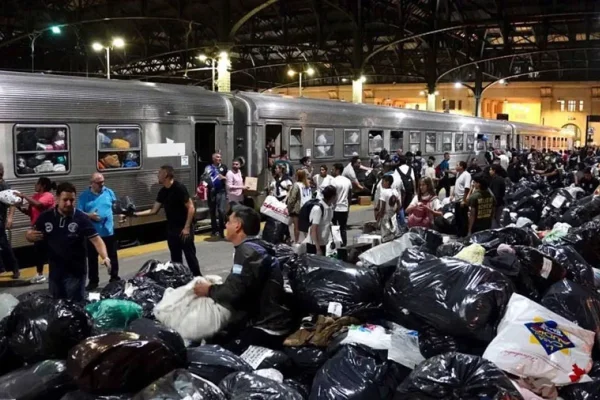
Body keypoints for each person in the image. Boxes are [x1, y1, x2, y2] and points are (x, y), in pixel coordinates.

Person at [192, 206, 293, 354]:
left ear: (238, 225)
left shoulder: (246, 251)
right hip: (270, 319)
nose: (226, 225)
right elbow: (241, 284)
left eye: (229, 221)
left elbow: (234, 292)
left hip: (267, 326)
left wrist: (208, 289)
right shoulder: (256, 247)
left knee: (218, 354)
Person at [26, 182, 111, 301]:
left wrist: (105, 257)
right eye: (65, 200)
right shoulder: (46, 217)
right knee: (57, 304)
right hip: (55, 270)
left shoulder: (81, 218)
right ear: (57, 198)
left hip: (76, 271)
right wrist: (29, 236)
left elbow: (96, 240)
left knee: (74, 305)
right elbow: (31, 233)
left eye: (72, 200)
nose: (69, 203)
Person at [135, 165, 201, 276]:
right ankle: (180, 279)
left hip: (184, 228)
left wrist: (187, 227)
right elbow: (153, 210)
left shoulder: (179, 188)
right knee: (175, 258)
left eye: (159, 173)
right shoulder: (163, 192)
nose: (157, 175)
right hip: (172, 229)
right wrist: (135, 214)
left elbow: (191, 207)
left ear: (166, 174)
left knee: (190, 256)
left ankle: (198, 278)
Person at [77, 173, 121, 290]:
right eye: (99, 183)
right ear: (92, 183)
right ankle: (93, 281)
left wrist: (120, 214)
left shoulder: (109, 192)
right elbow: (79, 213)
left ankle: (114, 277)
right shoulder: (84, 196)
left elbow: (115, 206)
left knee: (112, 256)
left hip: (108, 231)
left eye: (103, 182)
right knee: (92, 258)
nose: (102, 185)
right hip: (92, 234)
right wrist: (90, 215)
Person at [15, 177, 56, 283]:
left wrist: (24, 196)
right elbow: (29, 212)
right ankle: (40, 274)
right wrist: (18, 206)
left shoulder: (48, 196)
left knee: (50, 252)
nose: (35, 186)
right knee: (39, 253)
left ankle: (55, 273)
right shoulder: (35, 196)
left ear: (43, 186)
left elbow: (39, 204)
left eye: (37, 184)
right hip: (36, 227)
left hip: (47, 228)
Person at [304, 185, 336, 255]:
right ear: (333, 197)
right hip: (314, 245)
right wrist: (318, 249)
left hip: (323, 243)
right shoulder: (318, 209)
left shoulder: (330, 207)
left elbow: (328, 223)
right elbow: (313, 230)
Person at [0, 163, 19, 279]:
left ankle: (15, 268)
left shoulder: (4, 185)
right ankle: (1, 268)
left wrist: (10, 217)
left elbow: (13, 202)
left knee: (4, 245)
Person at [204, 153, 228, 239]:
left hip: (221, 191)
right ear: (213, 159)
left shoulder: (224, 167)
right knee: (212, 211)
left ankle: (221, 230)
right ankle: (214, 230)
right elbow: (204, 178)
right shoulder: (208, 168)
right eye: (218, 157)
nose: (220, 158)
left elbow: (229, 179)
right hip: (212, 192)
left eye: (220, 157)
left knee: (221, 211)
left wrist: (224, 177)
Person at [286, 169, 312, 243]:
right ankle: (308, 242)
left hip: (297, 209)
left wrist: (289, 207)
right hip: (307, 208)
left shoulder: (296, 185)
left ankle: (297, 242)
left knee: (296, 228)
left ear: (298, 176)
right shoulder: (307, 185)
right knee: (305, 228)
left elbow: (292, 198)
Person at [331, 163, 353, 246]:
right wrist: (348, 206)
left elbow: (332, 195)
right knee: (343, 228)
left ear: (337, 170)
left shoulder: (333, 181)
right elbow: (350, 195)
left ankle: (337, 244)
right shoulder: (347, 181)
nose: (331, 171)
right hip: (344, 208)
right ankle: (344, 244)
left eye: (333, 169)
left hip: (335, 208)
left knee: (335, 227)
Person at [377, 175, 400, 241]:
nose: (382, 183)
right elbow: (399, 205)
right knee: (393, 234)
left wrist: (378, 220)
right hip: (393, 216)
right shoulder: (395, 191)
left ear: (387, 182)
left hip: (386, 217)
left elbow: (382, 208)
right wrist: (395, 212)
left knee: (385, 236)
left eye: (383, 182)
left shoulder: (384, 192)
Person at [453, 161, 472, 237]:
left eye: (457, 165)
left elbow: (467, 188)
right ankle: (458, 234)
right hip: (457, 200)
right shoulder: (458, 174)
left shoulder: (467, 175)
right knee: (457, 218)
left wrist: (464, 200)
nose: (455, 166)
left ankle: (463, 235)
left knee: (463, 219)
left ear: (461, 167)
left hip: (462, 201)